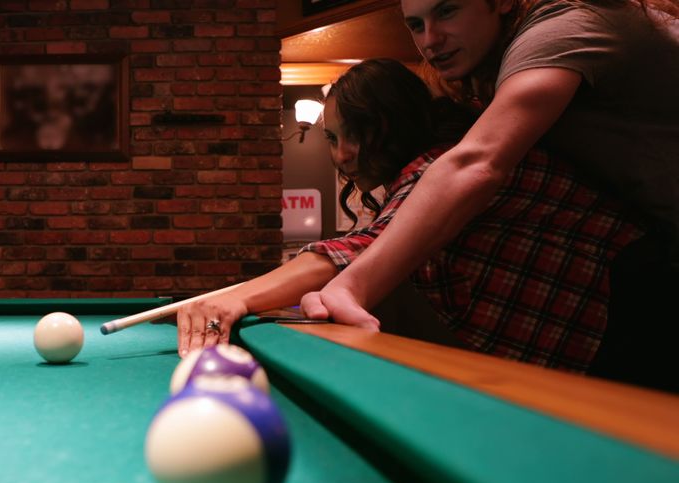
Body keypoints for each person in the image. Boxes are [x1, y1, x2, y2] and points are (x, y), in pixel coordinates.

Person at [176, 59, 645, 380]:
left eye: (355, 136)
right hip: (597, 329)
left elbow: (361, 250)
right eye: (333, 139)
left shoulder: (442, 162)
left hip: (641, 316)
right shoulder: (428, 165)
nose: (343, 156)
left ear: (391, 122)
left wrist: (231, 301)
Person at [300, 0, 678, 387]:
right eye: (415, 25)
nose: (430, 39)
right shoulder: (498, 66)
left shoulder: (562, 29)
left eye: (447, 11)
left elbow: (476, 163)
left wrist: (351, 285)